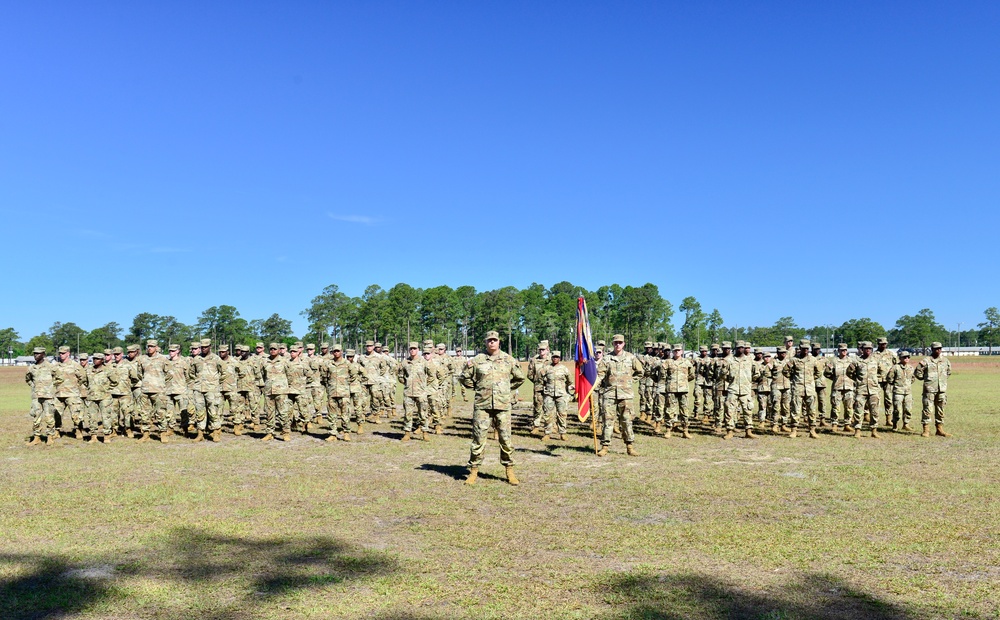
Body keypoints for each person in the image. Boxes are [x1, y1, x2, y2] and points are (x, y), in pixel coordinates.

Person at [460, 330, 525, 485]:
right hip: (482, 405)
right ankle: (474, 471)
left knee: (506, 439)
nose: (492, 343)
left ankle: (509, 470)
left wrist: (506, 388)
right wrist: (477, 386)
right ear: (486, 342)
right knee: (478, 438)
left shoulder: (508, 360)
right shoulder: (477, 360)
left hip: (503, 405)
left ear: (499, 342)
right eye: (489, 340)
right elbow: (464, 377)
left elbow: (520, 377)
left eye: (494, 340)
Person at [595, 334, 643, 456]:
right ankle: (605, 446)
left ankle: (630, 446)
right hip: (609, 394)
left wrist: (630, 381)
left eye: (620, 342)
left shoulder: (631, 357)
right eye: (616, 342)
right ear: (613, 344)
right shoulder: (607, 359)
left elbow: (640, 371)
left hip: (626, 395)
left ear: (624, 344)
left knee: (627, 421)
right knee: (608, 421)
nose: (618, 345)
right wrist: (593, 386)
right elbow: (600, 374)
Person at [782, 339, 822, 438]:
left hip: (810, 389)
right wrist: (792, 378)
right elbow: (785, 371)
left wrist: (811, 380)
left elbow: (819, 372)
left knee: (812, 410)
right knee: (795, 410)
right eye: (803, 349)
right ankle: (794, 430)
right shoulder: (794, 360)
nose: (805, 351)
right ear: (800, 348)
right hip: (797, 388)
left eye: (807, 349)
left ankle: (812, 430)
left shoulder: (813, 360)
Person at [914, 341, 952, 437]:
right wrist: (925, 379)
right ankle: (926, 430)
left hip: (941, 389)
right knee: (927, 409)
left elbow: (948, 372)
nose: (938, 350)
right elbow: (917, 372)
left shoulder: (945, 361)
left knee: (940, 410)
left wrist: (942, 381)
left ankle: (939, 429)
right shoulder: (926, 360)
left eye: (939, 348)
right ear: (932, 349)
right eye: (936, 349)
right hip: (929, 389)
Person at [848, 342, 882, 438]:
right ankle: (857, 430)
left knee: (874, 411)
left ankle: (874, 430)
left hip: (874, 390)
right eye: (866, 348)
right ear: (862, 349)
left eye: (870, 348)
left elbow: (881, 371)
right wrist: (858, 380)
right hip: (861, 390)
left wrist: (875, 381)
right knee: (858, 410)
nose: (868, 350)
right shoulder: (856, 361)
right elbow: (849, 372)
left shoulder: (876, 360)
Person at [52, 345, 88, 439]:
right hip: (59, 394)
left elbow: (83, 377)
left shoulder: (75, 365)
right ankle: (57, 431)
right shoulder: (55, 365)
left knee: (76, 415)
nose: (61, 355)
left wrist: (75, 386)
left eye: (63, 353)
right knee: (56, 415)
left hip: (72, 394)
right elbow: (52, 377)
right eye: (60, 353)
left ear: (68, 353)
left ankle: (78, 430)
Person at [398, 342, 430, 442]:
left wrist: (423, 385)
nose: (412, 350)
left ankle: (425, 433)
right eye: (411, 349)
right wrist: (407, 383)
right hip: (408, 393)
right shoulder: (405, 362)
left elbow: (431, 375)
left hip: (421, 393)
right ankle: (407, 433)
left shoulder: (423, 362)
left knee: (423, 414)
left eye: (414, 349)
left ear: (418, 350)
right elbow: (400, 375)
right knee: (408, 414)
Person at [25, 347, 57, 445]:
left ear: (43, 354)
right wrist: (34, 387)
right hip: (36, 397)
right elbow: (28, 379)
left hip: (48, 396)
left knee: (49, 417)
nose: (36, 355)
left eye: (38, 353)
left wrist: (50, 387)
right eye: (35, 353)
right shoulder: (31, 368)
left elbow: (59, 378)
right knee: (36, 417)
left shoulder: (50, 366)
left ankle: (50, 437)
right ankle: (37, 437)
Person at [540, 350, 574, 441]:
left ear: (560, 358)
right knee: (547, 414)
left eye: (557, 357)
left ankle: (562, 433)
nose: (555, 359)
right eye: (554, 357)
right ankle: (547, 433)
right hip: (549, 394)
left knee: (562, 414)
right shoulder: (546, 368)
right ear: (551, 358)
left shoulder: (564, 368)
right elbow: (541, 380)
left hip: (561, 395)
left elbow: (570, 381)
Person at [323, 344, 353, 441]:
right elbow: (324, 376)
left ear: (341, 352)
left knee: (345, 414)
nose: (336, 353)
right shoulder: (328, 364)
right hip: (332, 393)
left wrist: (345, 384)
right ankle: (333, 434)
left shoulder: (347, 363)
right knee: (331, 414)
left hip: (344, 393)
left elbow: (353, 375)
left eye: (338, 351)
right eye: (334, 351)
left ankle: (346, 432)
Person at [261, 343, 291, 441]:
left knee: (283, 413)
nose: (273, 350)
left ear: (279, 350)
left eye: (275, 349)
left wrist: (286, 387)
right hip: (269, 391)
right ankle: (269, 433)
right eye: (271, 349)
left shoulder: (284, 361)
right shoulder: (265, 361)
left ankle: (286, 432)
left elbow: (289, 374)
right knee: (269, 413)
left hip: (281, 391)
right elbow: (262, 375)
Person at [665, 343, 695, 438]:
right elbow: (663, 375)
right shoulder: (668, 362)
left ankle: (685, 430)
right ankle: (668, 430)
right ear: (672, 352)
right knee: (670, 410)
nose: (677, 352)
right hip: (671, 389)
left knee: (684, 410)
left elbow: (692, 375)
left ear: (682, 351)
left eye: (679, 350)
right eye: (675, 350)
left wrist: (684, 381)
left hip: (683, 389)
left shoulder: (687, 362)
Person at [824, 344, 855, 431]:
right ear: (838, 350)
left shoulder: (851, 361)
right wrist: (834, 379)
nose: (844, 351)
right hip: (837, 387)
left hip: (849, 387)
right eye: (842, 350)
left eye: (845, 350)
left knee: (849, 407)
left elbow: (855, 373)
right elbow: (826, 373)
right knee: (835, 407)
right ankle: (834, 424)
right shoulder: (834, 361)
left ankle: (847, 424)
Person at [884, 350, 916, 431]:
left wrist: (907, 385)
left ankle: (906, 424)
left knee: (908, 409)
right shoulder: (895, 367)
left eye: (908, 357)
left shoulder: (911, 368)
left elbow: (913, 379)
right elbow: (889, 378)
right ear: (900, 358)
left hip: (908, 392)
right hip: (898, 392)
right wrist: (896, 385)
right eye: (904, 357)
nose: (906, 358)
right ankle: (895, 424)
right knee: (897, 410)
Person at [528, 341, 551, 434]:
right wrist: (537, 381)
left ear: (547, 350)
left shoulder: (551, 359)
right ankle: (536, 425)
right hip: (538, 387)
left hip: (550, 387)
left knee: (550, 407)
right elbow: (530, 374)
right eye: (540, 350)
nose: (541, 352)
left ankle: (551, 426)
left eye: (543, 350)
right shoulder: (534, 360)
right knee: (537, 406)